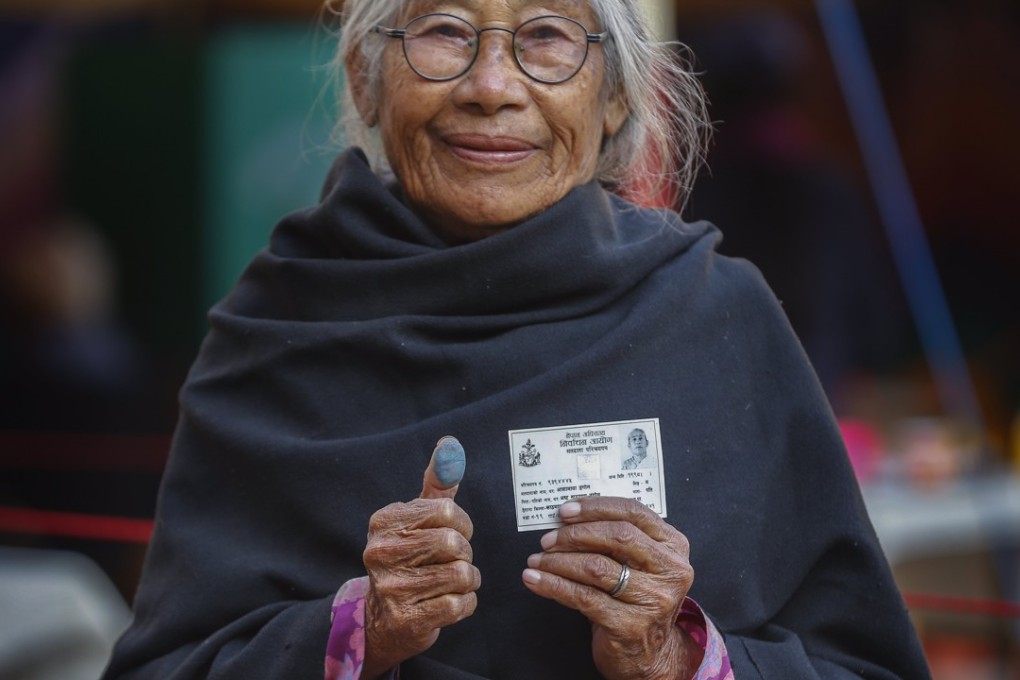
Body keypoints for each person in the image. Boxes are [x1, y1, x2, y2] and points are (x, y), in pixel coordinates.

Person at [102, 0, 931, 678]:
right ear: (366, 77)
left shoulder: (717, 316)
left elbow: (864, 667)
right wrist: (357, 633)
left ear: (614, 97)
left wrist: (679, 656)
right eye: (443, 31)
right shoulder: (279, 326)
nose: (492, 86)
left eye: (546, 36)